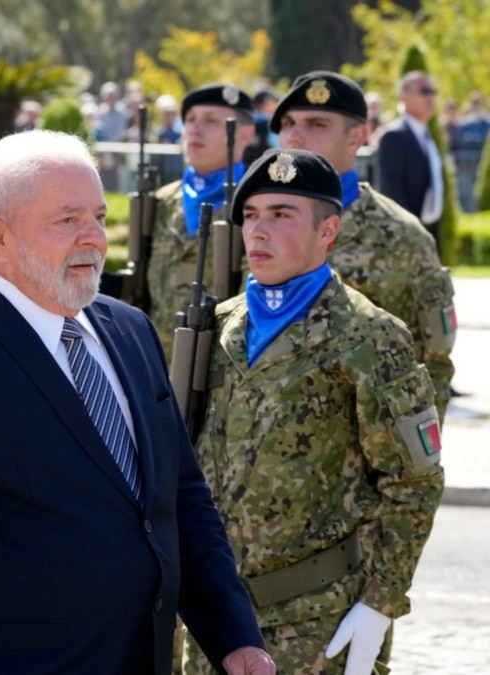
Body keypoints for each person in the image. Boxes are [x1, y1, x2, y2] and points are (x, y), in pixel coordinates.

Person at [0, 130, 274, 675]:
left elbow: (179, 498)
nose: (94, 238)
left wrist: (234, 636)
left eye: (98, 217)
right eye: (67, 220)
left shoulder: (130, 330)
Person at [185, 148, 444, 674]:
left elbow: (414, 483)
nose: (258, 231)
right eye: (251, 215)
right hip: (215, 617)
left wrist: (380, 602)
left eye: (281, 215)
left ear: (329, 231)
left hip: (316, 618)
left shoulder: (370, 336)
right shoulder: (216, 328)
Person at [274, 70, 456, 421]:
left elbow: (433, 369)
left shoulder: (404, 238)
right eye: (287, 122)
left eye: (316, 124)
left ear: (356, 136)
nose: (295, 136)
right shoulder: (249, 226)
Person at [149, 83, 255, 357]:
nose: (194, 129)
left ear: (245, 134)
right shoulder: (160, 202)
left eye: (210, 120)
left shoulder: (257, 204)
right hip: (155, 363)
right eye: (190, 120)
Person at [376, 71, 445, 241]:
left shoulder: (426, 134)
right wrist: (409, 230)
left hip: (428, 229)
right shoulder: (394, 135)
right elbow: (391, 190)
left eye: (432, 92)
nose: (430, 97)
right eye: (424, 91)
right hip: (406, 235)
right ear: (404, 96)